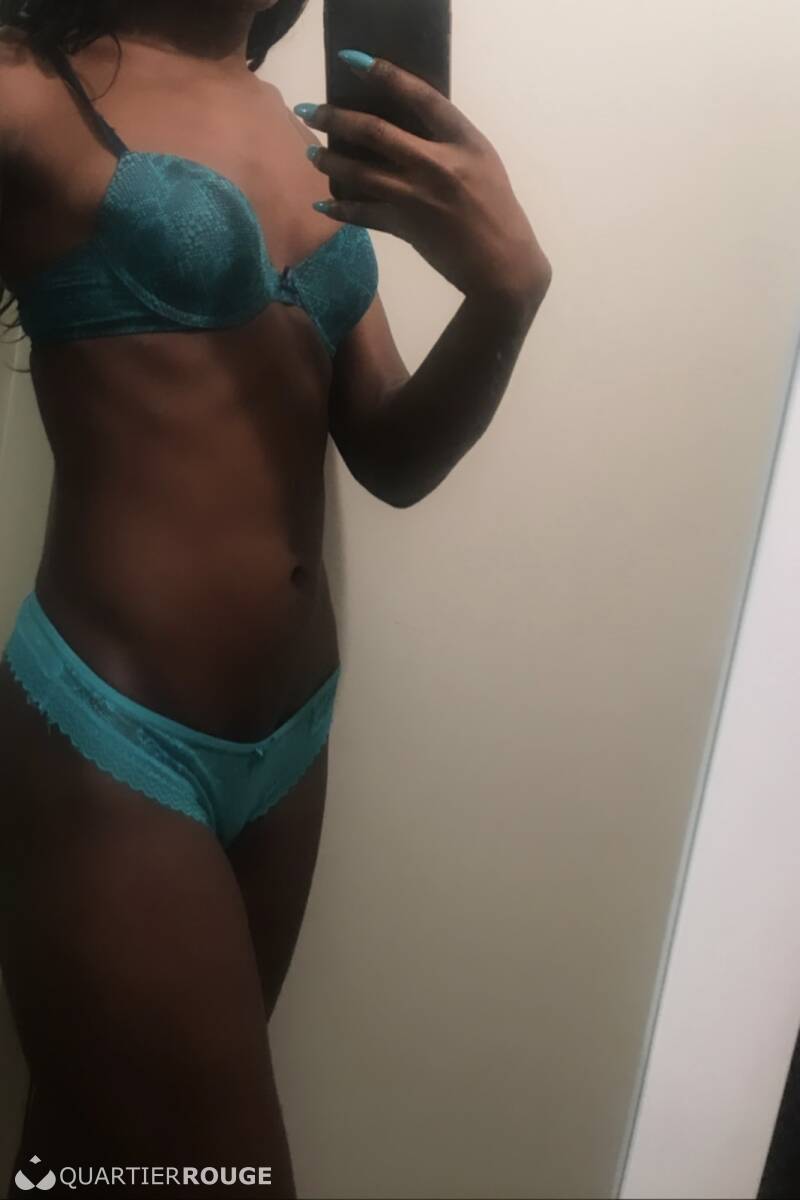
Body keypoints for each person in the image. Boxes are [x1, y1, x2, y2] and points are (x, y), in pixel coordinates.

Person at [0, 2, 552, 1195]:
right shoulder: (34, 90)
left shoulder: (316, 130)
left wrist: (503, 295)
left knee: (94, 1154)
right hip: (111, 740)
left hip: (289, 747)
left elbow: (392, 454)